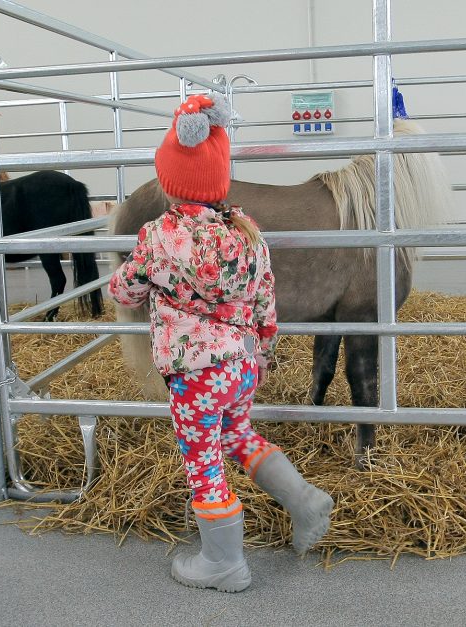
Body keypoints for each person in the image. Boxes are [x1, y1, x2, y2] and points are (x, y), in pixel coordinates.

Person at [108, 93, 334, 593]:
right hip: (242, 367)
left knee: (204, 461)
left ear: (168, 181)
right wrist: (264, 351)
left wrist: (138, 280)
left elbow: (125, 288)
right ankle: (302, 498)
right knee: (237, 435)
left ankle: (224, 562)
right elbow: (266, 302)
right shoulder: (248, 234)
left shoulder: (157, 236)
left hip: (194, 374)